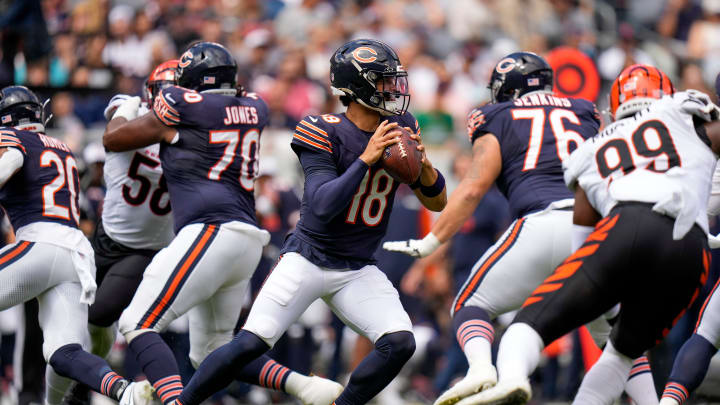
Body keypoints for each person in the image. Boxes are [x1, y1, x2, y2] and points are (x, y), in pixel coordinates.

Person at [169, 38, 448, 405]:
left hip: (358, 266)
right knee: (250, 343)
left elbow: (438, 201)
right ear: (357, 86)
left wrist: (425, 170)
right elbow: (319, 206)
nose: (392, 89)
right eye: (382, 81)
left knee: (399, 342)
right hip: (309, 258)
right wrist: (365, 159)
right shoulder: (322, 129)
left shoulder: (401, 124)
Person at [458, 65, 720, 405]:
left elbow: (582, 230)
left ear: (613, 109)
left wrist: (593, 286)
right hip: (692, 250)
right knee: (622, 354)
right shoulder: (684, 110)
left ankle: (512, 377)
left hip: (629, 225)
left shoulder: (593, 146)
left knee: (530, 323)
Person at [103, 42, 343, 405]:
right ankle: (304, 385)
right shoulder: (256, 107)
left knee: (137, 322)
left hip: (210, 231)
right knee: (212, 351)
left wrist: (124, 109)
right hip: (245, 239)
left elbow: (114, 138)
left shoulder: (184, 106)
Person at [0, 85, 154, 405]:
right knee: (63, 352)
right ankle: (125, 391)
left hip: (40, 244)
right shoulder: (62, 147)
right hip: (76, 255)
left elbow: (12, 159)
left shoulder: (15, 140)